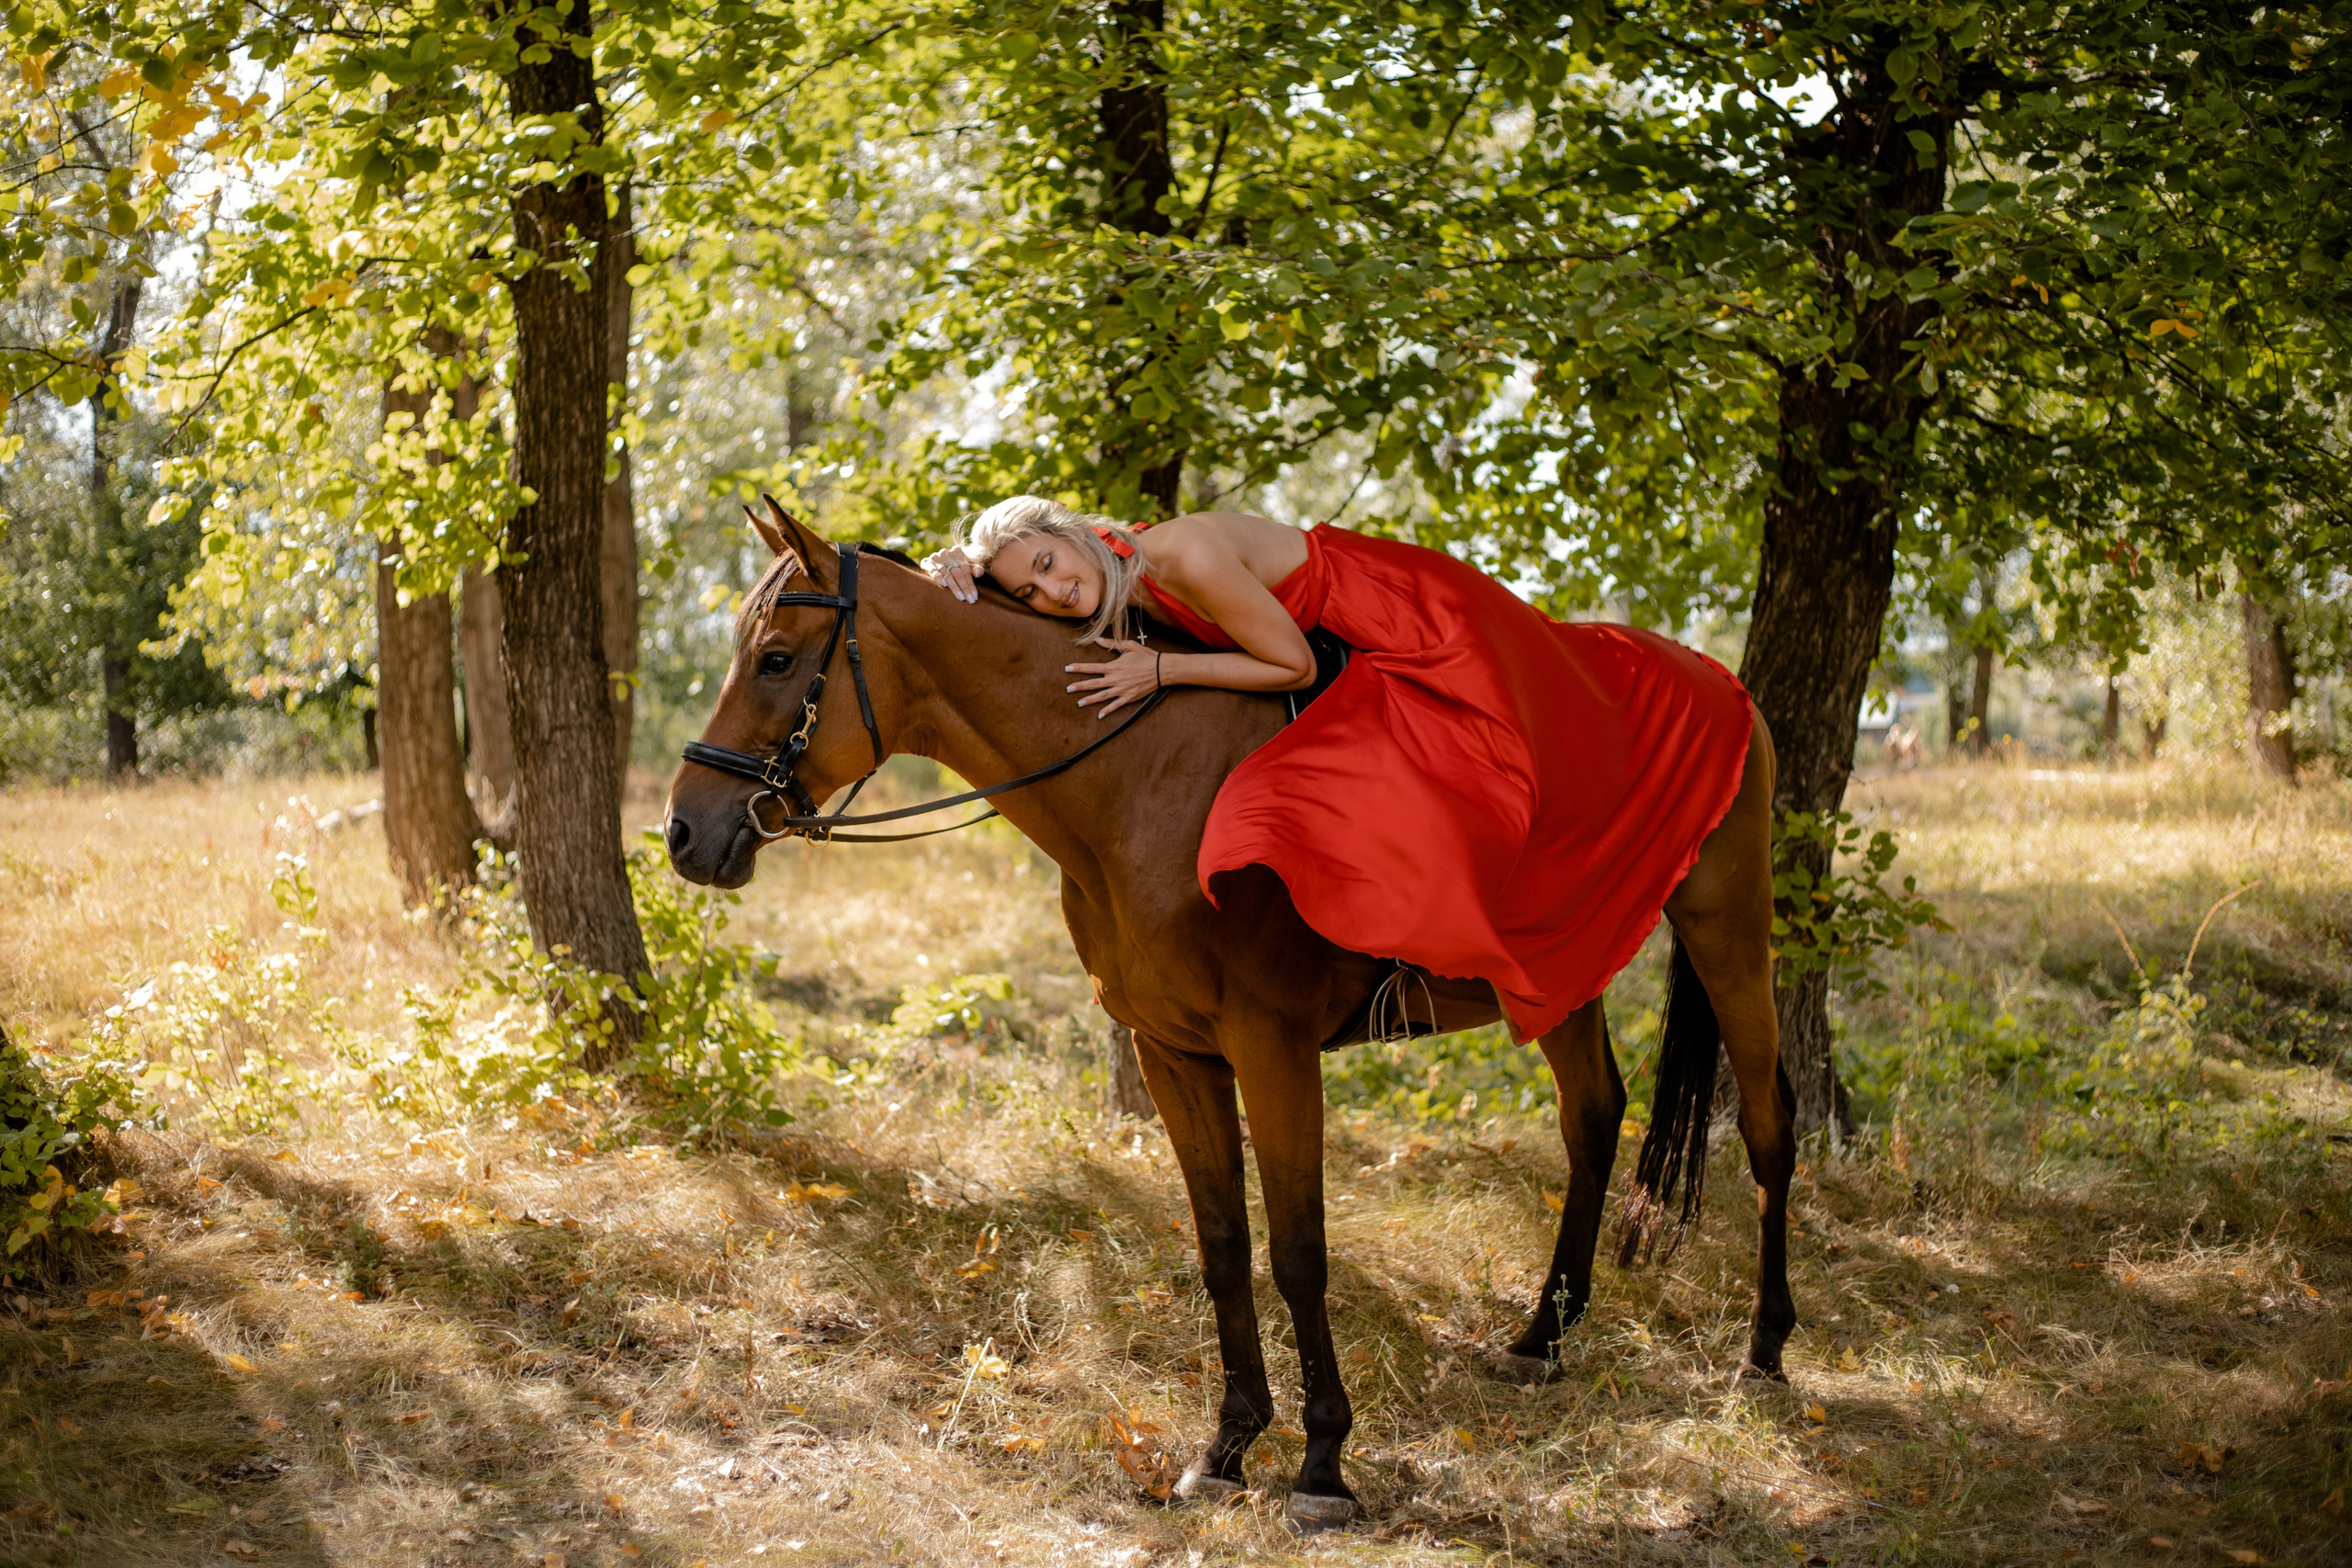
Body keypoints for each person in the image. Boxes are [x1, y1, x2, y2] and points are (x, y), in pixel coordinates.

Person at [923, 496, 1755, 1042]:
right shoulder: (1105, 563)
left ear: (1071, 540)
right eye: (1029, 591)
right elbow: (1010, 574)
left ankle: (1429, 960)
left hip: (1399, 619)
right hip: (1336, 638)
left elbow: (1291, 668)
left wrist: (1162, 672)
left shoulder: (1177, 559)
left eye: (1046, 565)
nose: (1052, 591)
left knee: (1420, 769)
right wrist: (953, 562)